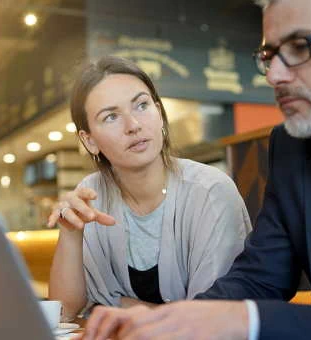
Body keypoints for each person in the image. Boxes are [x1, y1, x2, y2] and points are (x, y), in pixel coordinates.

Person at [78, 0, 311, 339]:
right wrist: (182, 318)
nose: (274, 75)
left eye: (300, 47)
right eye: (269, 56)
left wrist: (242, 320)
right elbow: (262, 275)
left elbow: (247, 312)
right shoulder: (291, 147)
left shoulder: (207, 188)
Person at [47, 56, 251, 322]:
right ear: (90, 141)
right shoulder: (90, 196)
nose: (133, 125)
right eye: (111, 117)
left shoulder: (209, 192)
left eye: (142, 105)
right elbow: (64, 313)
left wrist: (116, 305)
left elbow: (209, 318)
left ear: (159, 113)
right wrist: (71, 234)